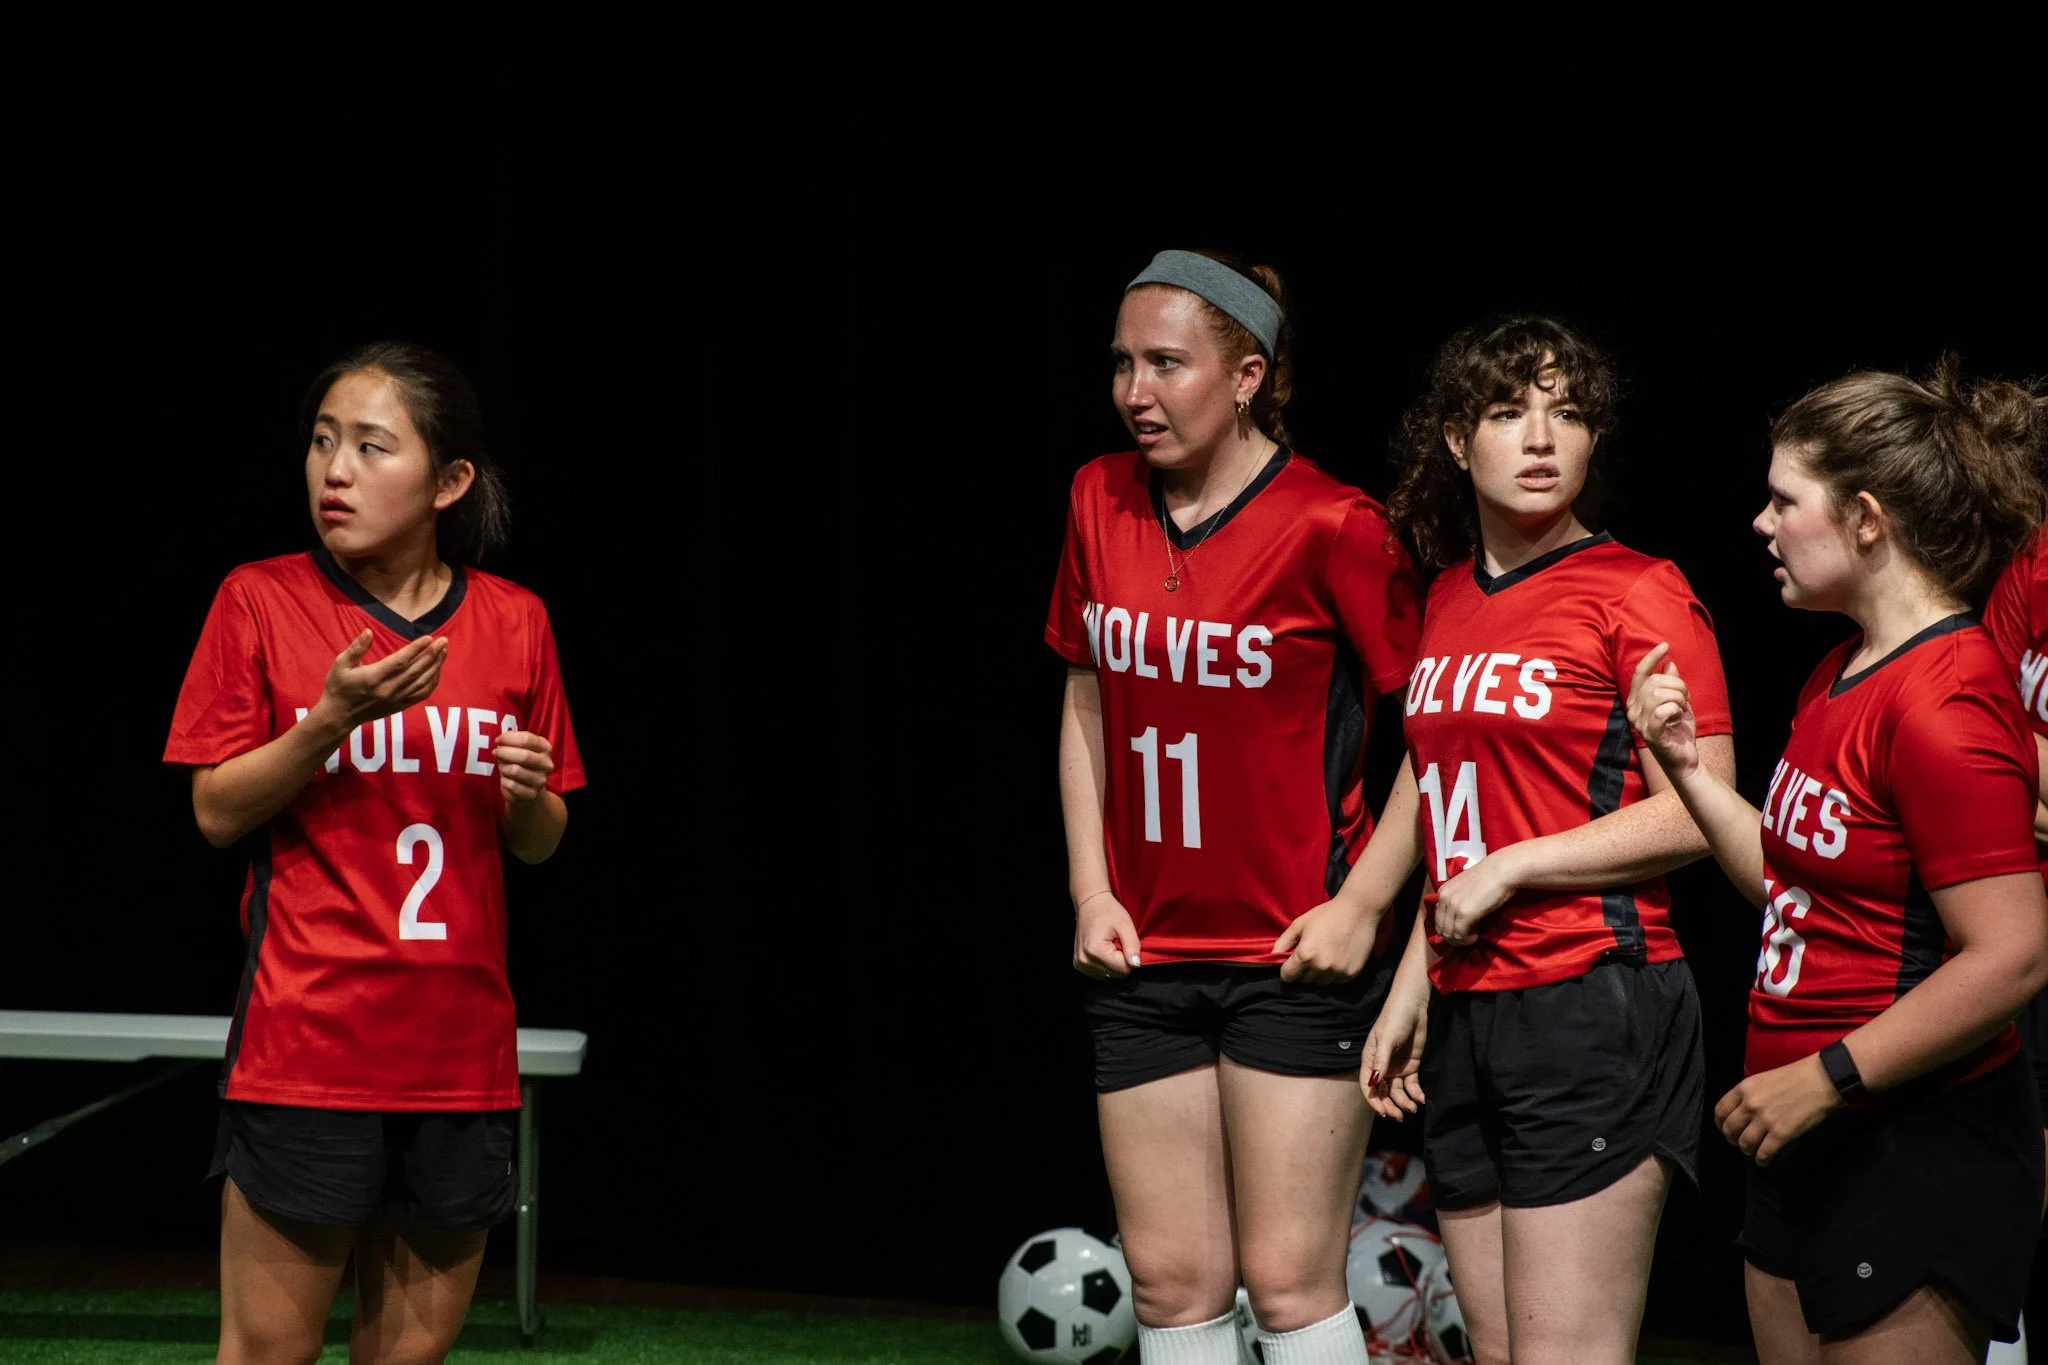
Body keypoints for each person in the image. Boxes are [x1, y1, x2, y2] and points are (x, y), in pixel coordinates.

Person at [164, 342, 584, 1365]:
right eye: (320, 443)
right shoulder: (259, 601)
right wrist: (324, 725)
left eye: (368, 446)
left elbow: (539, 842)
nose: (333, 471)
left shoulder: (514, 620)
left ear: (448, 482)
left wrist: (526, 798)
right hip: (307, 1049)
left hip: (459, 1059)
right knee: (270, 1354)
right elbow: (216, 814)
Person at [1628, 359, 2047, 1363]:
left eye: (1782, 501)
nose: (1758, 525)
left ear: (1865, 519)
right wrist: (1686, 772)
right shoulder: (1838, 667)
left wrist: (1824, 1078)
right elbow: (1785, 889)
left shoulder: (1943, 702)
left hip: (1904, 1140)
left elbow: (2011, 956)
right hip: (1801, 1133)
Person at [1046, 250, 1423, 1365]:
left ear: (1247, 374)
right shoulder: (1094, 496)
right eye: (1120, 364)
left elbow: (1440, 736)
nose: (1134, 393)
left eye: (1166, 364)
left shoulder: (1334, 525)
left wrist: (1361, 903)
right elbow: (1083, 698)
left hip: (1292, 954)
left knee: (1289, 1280)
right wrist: (1088, 889)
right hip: (1142, 953)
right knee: (1169, 1285)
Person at [1362, 315, 1737, 1365]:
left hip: (1593, 1000)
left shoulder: (1637, 589)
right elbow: (1452, 808)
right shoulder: (1443, 596)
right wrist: (1410, 984)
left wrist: (1517, 867)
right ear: (1451, 439)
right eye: (1505, 412)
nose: (1538, 439)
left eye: (1565, 414)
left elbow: (1701, 815)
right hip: (1468, 1008)